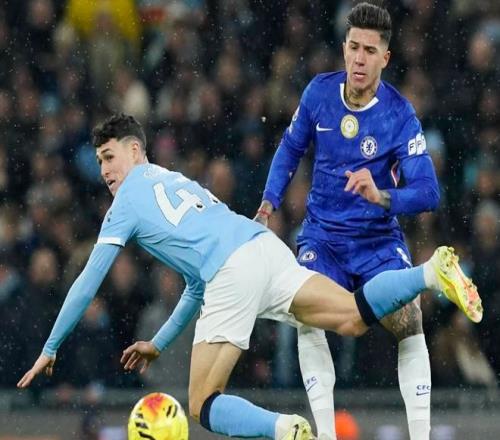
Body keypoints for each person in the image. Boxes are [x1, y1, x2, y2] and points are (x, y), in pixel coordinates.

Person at [18, 114, 482, 440]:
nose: (104, 170)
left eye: (109, 156)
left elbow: (88, 280)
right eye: (99, 161)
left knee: (201, 403)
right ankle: (428, 274)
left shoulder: (125, 204)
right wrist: (159, 343)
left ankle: (284, 429)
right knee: (354, 316)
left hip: (232, 271)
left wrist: (50, 347)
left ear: (135, 150)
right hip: (263, 248)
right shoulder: (178, 180)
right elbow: (195, 286)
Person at [254, 3, 447, 440]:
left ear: (385, 58)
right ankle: (326, 434)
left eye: (370, 51)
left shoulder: (399, 115)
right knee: (306, 311)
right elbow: (289, 149)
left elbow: (428, 191)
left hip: (377, 239)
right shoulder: (318, 94)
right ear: (344, 49)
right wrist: (267, 205)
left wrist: (382, 196)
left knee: (409, 318)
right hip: (322, 238)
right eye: (354, 47)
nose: (360, 59)